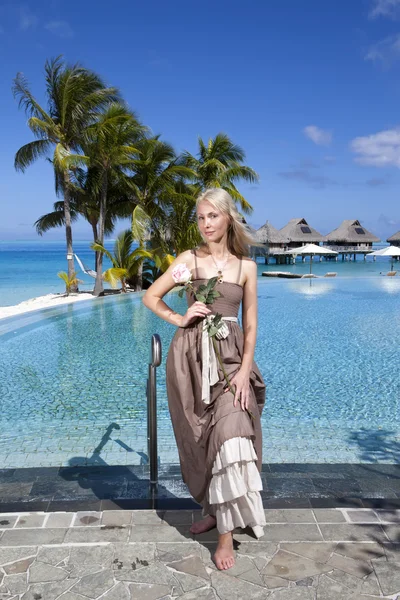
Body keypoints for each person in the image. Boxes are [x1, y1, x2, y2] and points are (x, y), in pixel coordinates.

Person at [142, 188, 266, 571]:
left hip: (230, 363)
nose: (206, 224)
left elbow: (250, 323)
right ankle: (214, 510)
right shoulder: (188, 260)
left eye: (212, 215)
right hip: (191, 361)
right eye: (200, 217)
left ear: (228, 217)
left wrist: (245, 370)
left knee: (232, 435)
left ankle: (224, 537)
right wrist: (180, 319)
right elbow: (151, 296)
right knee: (202, 437)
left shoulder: (246, 267)